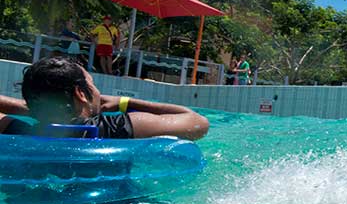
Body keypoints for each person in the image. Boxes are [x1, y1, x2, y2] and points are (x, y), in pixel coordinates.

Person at [0, 56, 209, 140]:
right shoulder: (114, 127)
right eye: (92, 84)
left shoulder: (19, 131)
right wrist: (126, 102)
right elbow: (198, 124)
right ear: (80, 94)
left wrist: (39, 110)